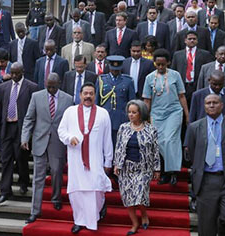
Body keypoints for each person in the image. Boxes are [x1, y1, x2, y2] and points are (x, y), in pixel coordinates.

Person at [58, 82, 113, 233]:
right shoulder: (70, 111)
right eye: (85, 93)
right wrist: (70, 138)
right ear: (80, 95)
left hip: (95, 159)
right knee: (77, 192)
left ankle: (94, 217)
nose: (88, 96)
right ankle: (79, 220)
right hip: (76, 160)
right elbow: (61, 131)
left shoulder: (103, 113)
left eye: (91, 93)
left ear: (95, 96)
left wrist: (109, 160)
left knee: (95, 189)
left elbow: (107, 139)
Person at [186, 93, 225, 236]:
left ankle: (222, 232)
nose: (211, 105)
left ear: (222, 105)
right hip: (206, 181)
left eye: (215, 102)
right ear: (204, 106)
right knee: (206, 227)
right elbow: (192, 154)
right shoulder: (194, 127)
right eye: (208, 103)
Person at [22, 73, 73, 224]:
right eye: (48, 86)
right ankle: (35, 211)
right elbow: (29, 118)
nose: (50, 89)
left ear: (59, 84)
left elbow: (70, 121)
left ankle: (56, 198)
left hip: (57, 142)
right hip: (39, 141)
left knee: (57, 172)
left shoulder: (68, 99)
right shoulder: (36, 97)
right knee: (38, 177)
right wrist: (25, 137)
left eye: (53, 86)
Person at [0, 62, 38, 203]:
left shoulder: (31, 87)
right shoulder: (4, 87)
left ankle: (24, 182)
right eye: (11, 73)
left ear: (22, 72)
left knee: (21, 158)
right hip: (7, 127)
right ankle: (5, 191)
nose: (13, 76)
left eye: (16, 73)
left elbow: (34, 112)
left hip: (22, 129)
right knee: (6, 159)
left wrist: (31, 132)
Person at [113, 99, 160, 235]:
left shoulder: (151, 129)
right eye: (129, 112)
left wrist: (157, 168)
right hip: (126, 168)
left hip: (143, 168)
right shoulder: (123, 127)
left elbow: (155, 150)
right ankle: (135, 223)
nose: (131, 115)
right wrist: (117, 163)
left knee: (139, 195)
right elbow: (119, 147)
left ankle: (144, 213)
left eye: (134, 112)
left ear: (141, 113)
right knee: (128, 198)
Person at [143, 48, 189, 186]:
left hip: (174, 112)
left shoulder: (175, 75)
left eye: (164, 64)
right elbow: (147, 100)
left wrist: (187, 115)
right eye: (158, 64)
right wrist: (145, 118)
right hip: (156, 114)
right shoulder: (149, 78)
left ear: (168, 62)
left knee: (170, 140)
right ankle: (163, 172)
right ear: (154, 63)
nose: (161, 67)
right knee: (159, 142)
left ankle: (173, 172)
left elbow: (181, 96)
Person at [96, 55, 136, 147]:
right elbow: (97, 101)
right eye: (113, 69)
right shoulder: (102, 80)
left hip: (121, 118)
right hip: (105, 117)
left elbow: (131, 101)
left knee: (120, 145)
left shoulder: (128, 81)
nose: (115, 72)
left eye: (117, 70)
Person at [171, 30, 214, 105]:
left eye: (194, 39)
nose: (192, 40)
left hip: (197, 85)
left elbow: (208, 72)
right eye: (189, 39)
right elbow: (173, 72)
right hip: (182, 86)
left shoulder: (205, 54)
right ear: (185, 40)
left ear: (197, 41)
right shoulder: (177, 55)